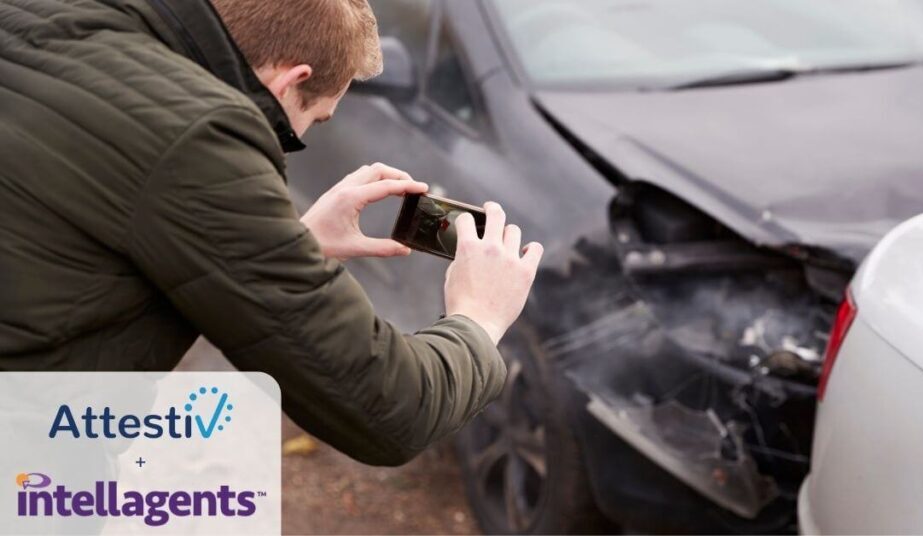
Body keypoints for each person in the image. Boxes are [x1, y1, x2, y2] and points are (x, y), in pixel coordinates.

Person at [0, 0, 543, 465]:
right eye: (310, 124)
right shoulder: (200, 141)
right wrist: (478, 316)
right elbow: (389, 408)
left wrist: (287, 241)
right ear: (292, 80)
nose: (294, 139)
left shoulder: (50, 16)